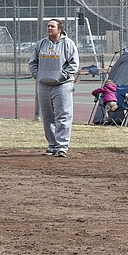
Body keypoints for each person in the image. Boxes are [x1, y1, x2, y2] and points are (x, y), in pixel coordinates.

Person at [28, 18, 79, 157]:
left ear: (59, 29)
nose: (49, 28)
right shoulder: (41, 44)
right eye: (48, 26)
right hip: (43, 85)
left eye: (52, 26)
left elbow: (74, 64)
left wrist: (62, 76)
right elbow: (32, 62)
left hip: (62, 86)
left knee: (63, 115)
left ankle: (62, 146)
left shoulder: (68, 44)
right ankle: (52, 145)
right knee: (48, 117)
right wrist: (37, 75)